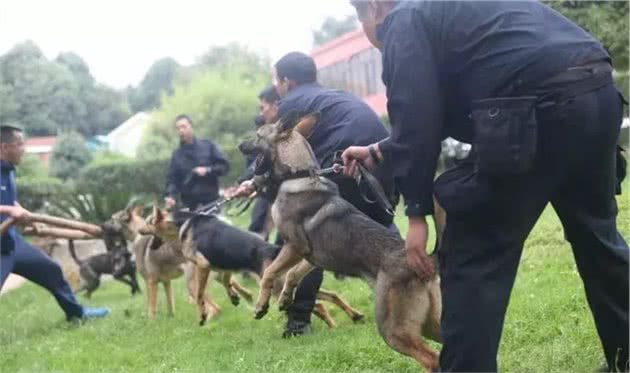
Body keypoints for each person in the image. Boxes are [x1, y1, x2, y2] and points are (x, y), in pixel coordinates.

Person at [343, 1, 629, 371]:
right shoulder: (458, 13)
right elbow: (439, 109)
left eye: (359, 20)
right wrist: (379, 151)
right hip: (598, 95)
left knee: (473, 255)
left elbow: (414, 112)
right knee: (598, 239)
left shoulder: (402, 19)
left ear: (374, 7)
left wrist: (416, 214)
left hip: (537, 107)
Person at [229, 52, 399, 338]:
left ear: (287, 81)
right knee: (384, 234)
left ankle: (298, 322)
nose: (276, 87)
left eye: (276, 79)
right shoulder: (331, 96)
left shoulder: (292, 106)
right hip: (382, 162)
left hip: (345, 163)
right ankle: (416, 278)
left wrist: (250, 181)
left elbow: (276, 156)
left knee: (302, 239)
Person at [0, 125, 110, 321]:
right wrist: (10, 211)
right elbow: (7, 207)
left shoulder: (8, 171)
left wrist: (23, 212)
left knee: (51, 269)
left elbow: (8, 200)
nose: (24, 149)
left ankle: (77, 314)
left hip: (12, 243)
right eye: (19, 144)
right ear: (4, 147)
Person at [164, 114, 230, 211]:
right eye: (178, 128)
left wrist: (208, 170)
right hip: (190, 207)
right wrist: (171, 196)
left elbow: (224, 166)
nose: (181, 131)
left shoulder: (208, 145)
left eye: (183, 127)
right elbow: (172, 180)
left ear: (191, 126)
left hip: (211, 203)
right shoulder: (176, 155)